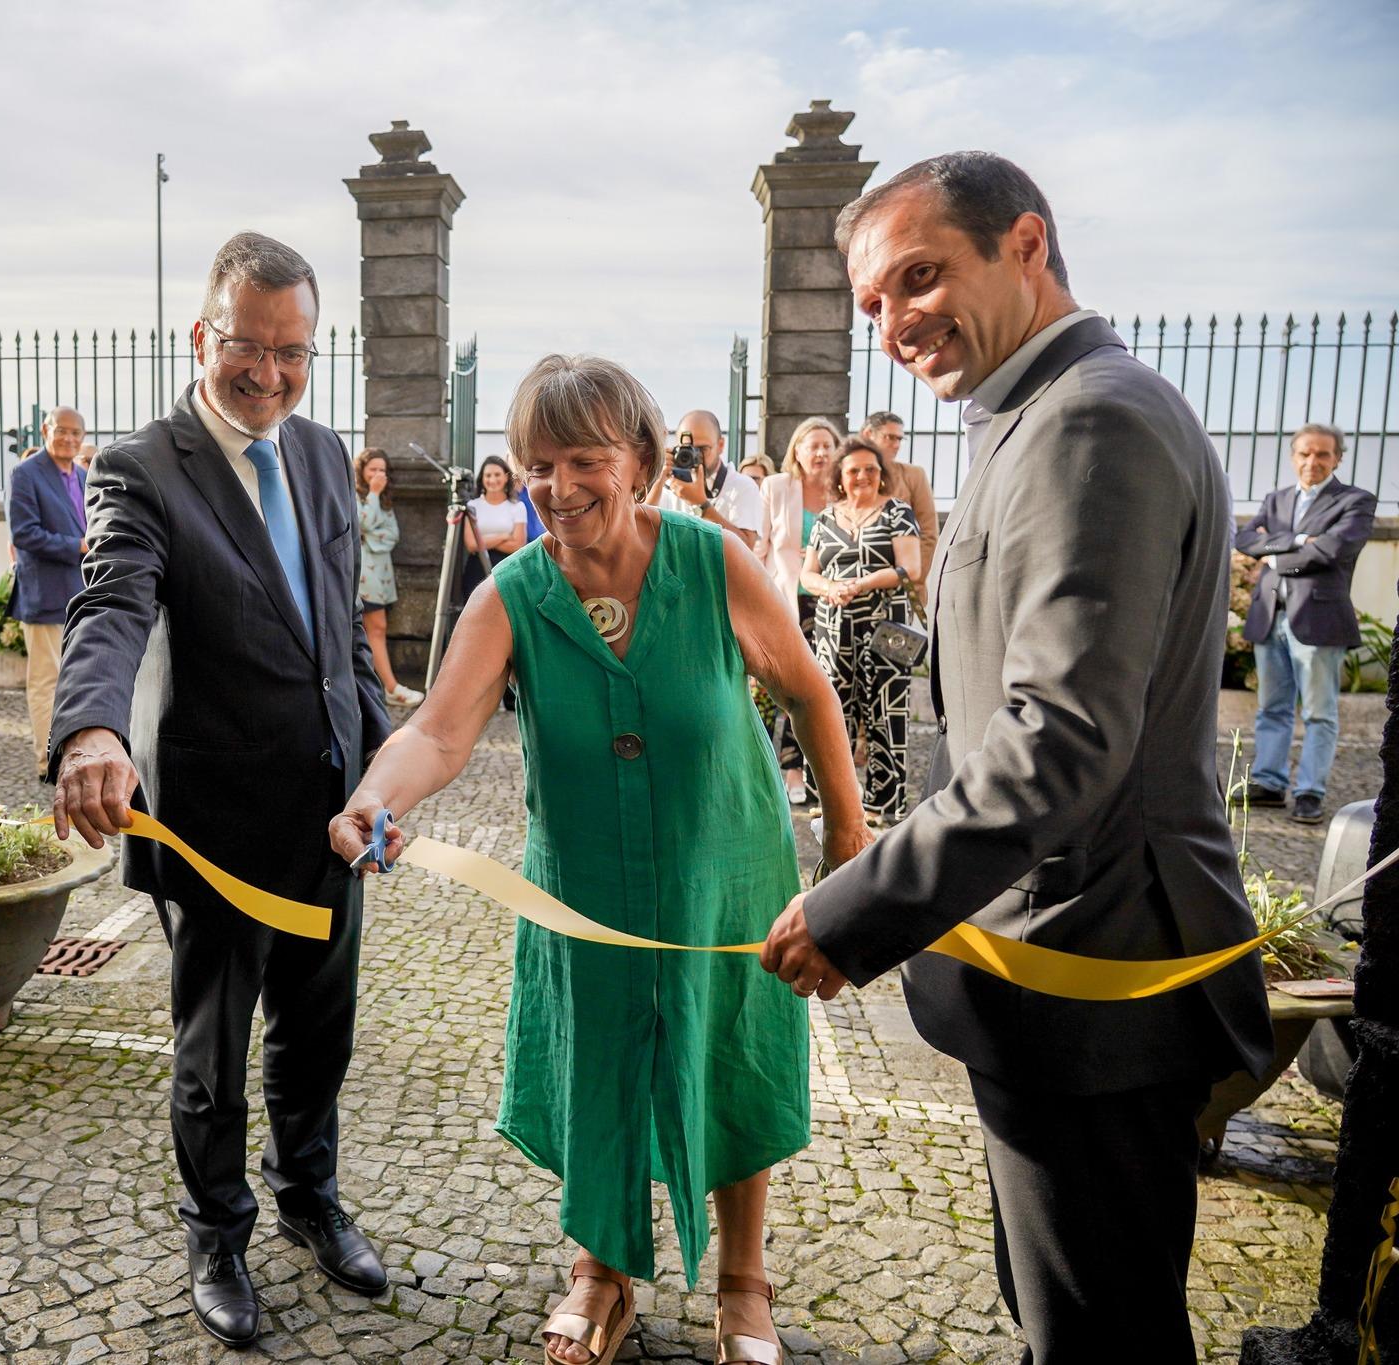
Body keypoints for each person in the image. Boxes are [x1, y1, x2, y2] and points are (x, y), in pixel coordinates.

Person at [760, 151, 1274, 1364]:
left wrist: (855, 905)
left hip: (1098, 972)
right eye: (872, 302)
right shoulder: (1036, 412)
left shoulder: (1088, 418)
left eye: (920, 277)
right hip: (1060, 968)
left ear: (1026, 246)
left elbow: (1058, 741)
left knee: (1099, 1336)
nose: (891, 323)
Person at [330, 354, 868, 1365]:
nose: (557, 486)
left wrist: (845, 839)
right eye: (536, 463)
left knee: (730, 1055)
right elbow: (439, 734)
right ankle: (599, 1269)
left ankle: (743, 1285)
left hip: (726, 871)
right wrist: (372, 799)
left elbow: (808, 691)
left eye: (584, 459)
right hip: (583, 885)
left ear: (643, 461)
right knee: (598, 1060)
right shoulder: (513, 593)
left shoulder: (713, 562)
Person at [47, 232, 392, 1349]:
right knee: (213, 1053)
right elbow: (109, 604)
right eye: (248, 346)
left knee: (318, 1032)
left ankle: (308, 1200)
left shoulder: (324, 452)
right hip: (209, 827)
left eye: (291, 352)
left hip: (331, 813)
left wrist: (380, 770)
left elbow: (337, 634)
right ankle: (216, 1230)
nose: (269, 373)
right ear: (203, 336)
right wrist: (91, 727)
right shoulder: (140, 468)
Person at [1234, 423, 1375, 824]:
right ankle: (1269, 783)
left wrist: (1274, 552)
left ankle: (1310, 792)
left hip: (1318, 619)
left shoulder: (1356, 500)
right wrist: (1300, 541)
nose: (1312, 461)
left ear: (1338, 458)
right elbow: (1243, 540)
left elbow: (1334, 549)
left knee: (1318, 712)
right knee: (1271, 708)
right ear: (1293, 456)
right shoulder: (1275, 498)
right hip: (1270, 614)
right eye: (1305, 453)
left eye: (1323, 454)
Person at [799, 436, 922, 823]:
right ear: (840, 477)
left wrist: (862, 583)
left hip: (888, 624)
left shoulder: (898, 512)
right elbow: (808, 575)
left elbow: (910, 569)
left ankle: (884, 804)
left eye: (871, 469)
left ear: (881, 474)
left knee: (887, 709)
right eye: (854, 470)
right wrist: (830, 587)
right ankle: (833, 801)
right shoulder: (825, 518)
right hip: (833, 627)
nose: (863, 476)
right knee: (831, 711)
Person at [758, 417, 842, 802]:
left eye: (828, 445)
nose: (821, 452)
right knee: (781, 683)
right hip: (785, 599)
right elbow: (760, 545)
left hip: (828, 601)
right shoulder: (777, 487)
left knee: (816, 685)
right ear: (797, 450)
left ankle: (799, 770)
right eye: (814, 445)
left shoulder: (842, 490)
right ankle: (777, 766)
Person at [7, 405, 89, 767]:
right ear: (45, 430)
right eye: (62, 431)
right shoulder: (26, 473)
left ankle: (72, 751)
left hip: (81, 592)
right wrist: (77, 546)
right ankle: (47, 759)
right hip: (45, 593)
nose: (69, 439)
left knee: (76, 681)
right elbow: (24, 533)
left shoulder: (84, 475)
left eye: (76, 433)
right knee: (46, 682)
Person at [353, 447, 422, 707]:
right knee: (375, 628)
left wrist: (369, 538)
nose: (379, 474)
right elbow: (361, 524)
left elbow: (392, 534)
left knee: (374, 629)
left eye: (383, 470)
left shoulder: (383, 500)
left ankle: (377, 687)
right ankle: (391, 687)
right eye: (373, 469)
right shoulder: (360, 495)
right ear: (362, 471)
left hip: (380, 575)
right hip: (362, 576)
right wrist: (373, 494)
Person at [646, 409, 762, 550]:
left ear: (720, 445)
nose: (695, 455)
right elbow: (640, 527)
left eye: (702, 449)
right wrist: (658, 479)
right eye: (687, 449)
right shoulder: (668, 483)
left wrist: (701, 505)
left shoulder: (741, 486)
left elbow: (746, 547)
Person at [860, 410, 939, 605]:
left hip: (904, 590)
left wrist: (912, 579)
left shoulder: (913, 476)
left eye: (900, 439)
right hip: (855, 591)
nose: (896, 445)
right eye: (890, 438)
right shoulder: (847, 476)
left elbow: (929, 533)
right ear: (868, 434)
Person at [459, 453, 528, 599]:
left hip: (508, 567)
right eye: (488, 475)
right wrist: (503, 536)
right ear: (482, 479)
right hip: (476, 569)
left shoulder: (518, 507)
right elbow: (471, 544)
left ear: (505, 477)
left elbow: (518, 545)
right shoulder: (473, 506)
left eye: (497, 474)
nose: (492, 479)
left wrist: (483, 540)